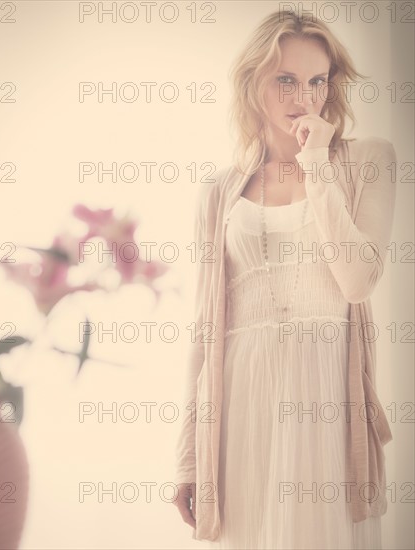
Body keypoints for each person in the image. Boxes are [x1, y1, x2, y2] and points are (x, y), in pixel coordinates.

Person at [173, 9, 396, 550]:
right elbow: (205, 329)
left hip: (325, 399)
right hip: (242, 399)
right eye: (287, 80)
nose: (305, 97)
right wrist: (187, 456)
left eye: (318, 80)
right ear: (254, 83)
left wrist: (316, 161)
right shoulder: (219, 191)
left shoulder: (369, 162)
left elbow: (358, 281)